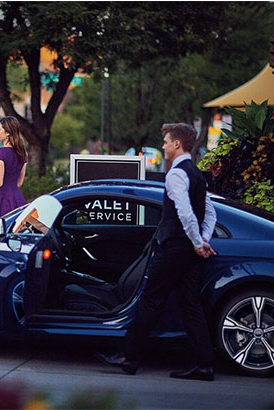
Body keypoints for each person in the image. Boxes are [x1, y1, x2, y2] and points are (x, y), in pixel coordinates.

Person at [95, 123, 217, 381]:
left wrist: (197, 241)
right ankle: (205, 365)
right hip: (189, 250)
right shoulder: (196, 173)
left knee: (151, 299)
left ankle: (129, 357)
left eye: (165, 142)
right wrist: (202, 240)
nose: (162, 146)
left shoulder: (176, 174)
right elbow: (210, 212)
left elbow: (184, 212)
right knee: (191, 305)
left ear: (176, 144)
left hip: (174, 247)